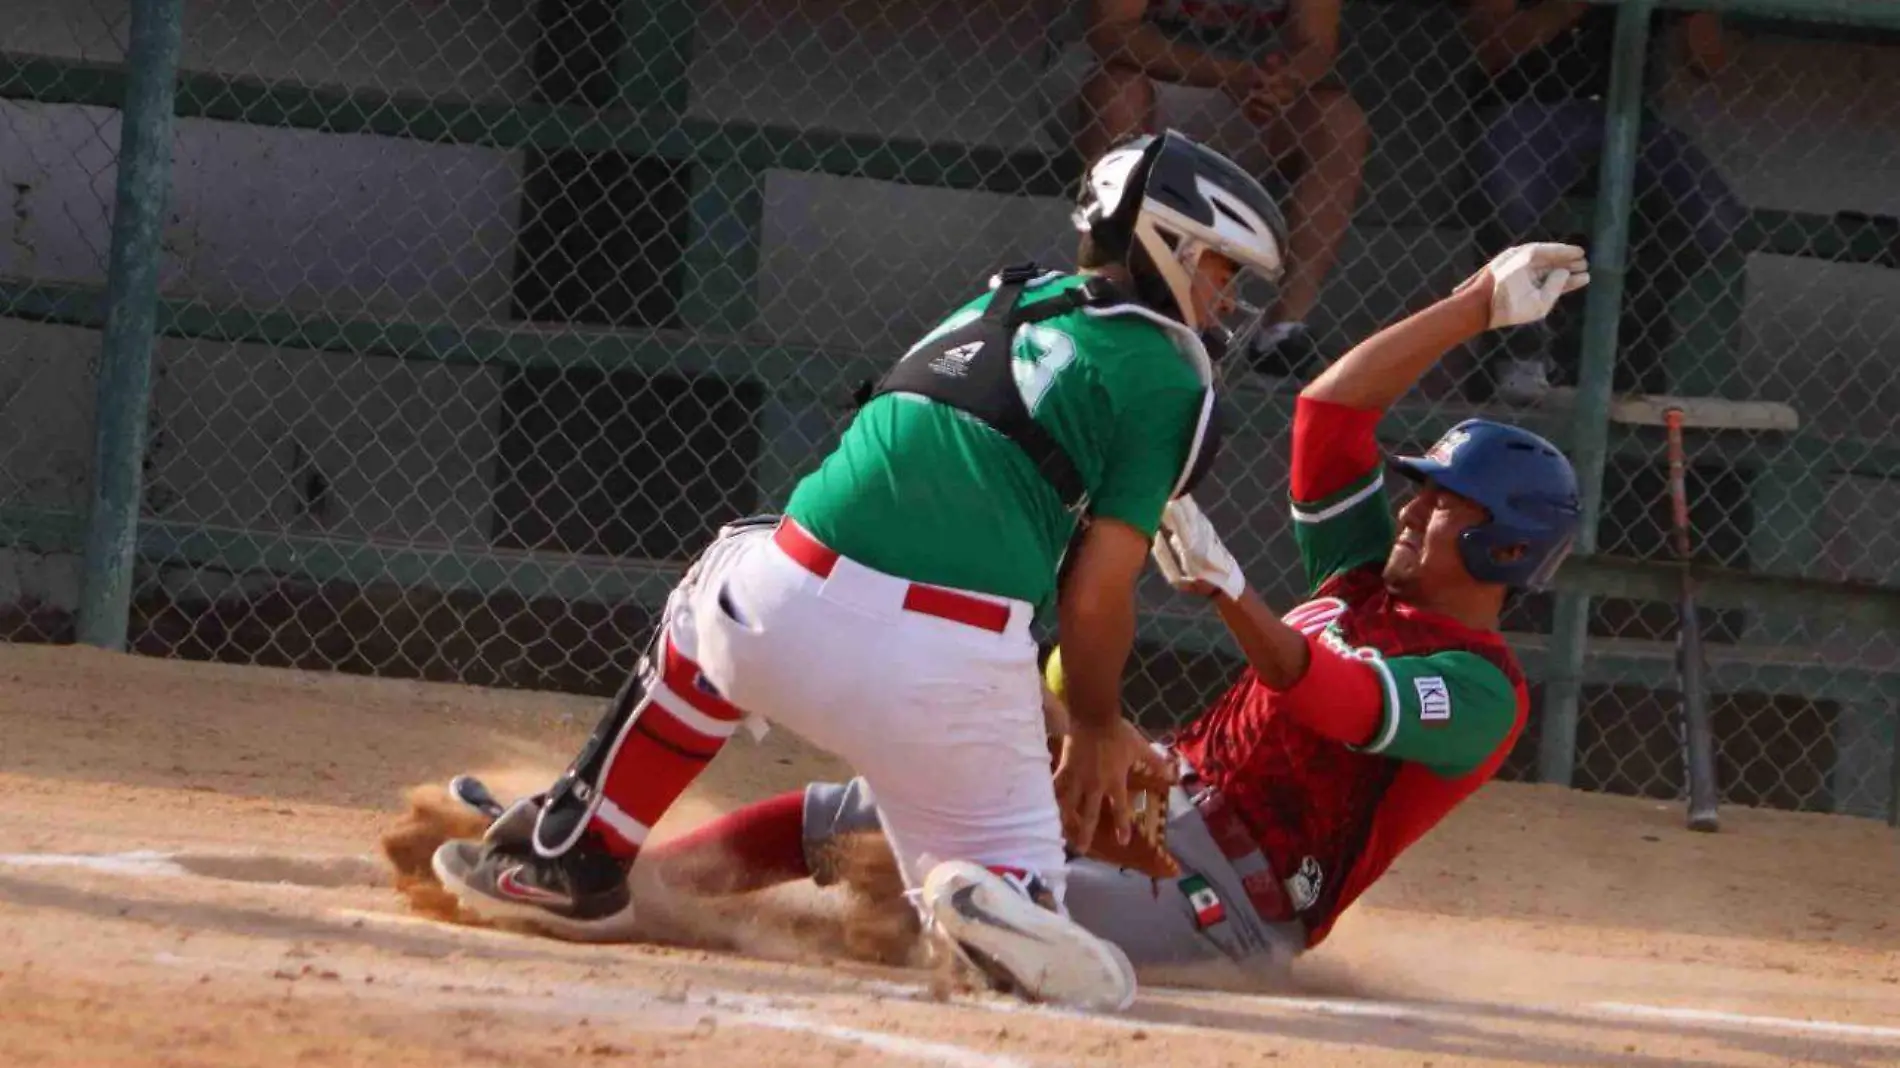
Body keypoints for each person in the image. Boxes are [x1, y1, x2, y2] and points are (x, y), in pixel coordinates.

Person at [428, 130, 1291, 1011]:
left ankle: (574, 848)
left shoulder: (1007, 297)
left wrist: (1059, 715)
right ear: (1168, 246)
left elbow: (928, 538)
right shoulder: (1172, 374)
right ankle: (994, 892)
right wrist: (1099, 724)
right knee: (1049, 935)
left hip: (777, 614)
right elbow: (1094, 589)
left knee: (724, 574)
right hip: (950, 674)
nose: (1225, 300)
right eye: (1221, 267)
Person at [556, 242, 1590, 976]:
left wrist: (1230, 595)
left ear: (1505, 546)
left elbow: (1335, 701)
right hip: (1155, 806)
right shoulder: (1365, 576)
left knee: (989, 899)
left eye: (1447, 508)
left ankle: (970, 918)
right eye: (1419, 492)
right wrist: (1475, 307)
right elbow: (1330, 412)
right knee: (852, 812)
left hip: (1234, 904)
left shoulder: (1480, 689)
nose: (1412, 512)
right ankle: (630, 881)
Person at [1068, 0, 1368, 378]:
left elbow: (1317, 45)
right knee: (1118, 91)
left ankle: (1282, 332)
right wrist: (1227, 73)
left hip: (1248, 93)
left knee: (1339, 122)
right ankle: (1106, 292)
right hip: (1134, 78)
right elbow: (1112, 33)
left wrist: (1283, 81)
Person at [1462, 0, 1743, 404]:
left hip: (1628, 118)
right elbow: (1494, 48)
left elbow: (1710, 64)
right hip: (1525, 107)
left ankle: (1619, 357)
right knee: (1512, 199)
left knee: (1715, 218)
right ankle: (1518, 356)